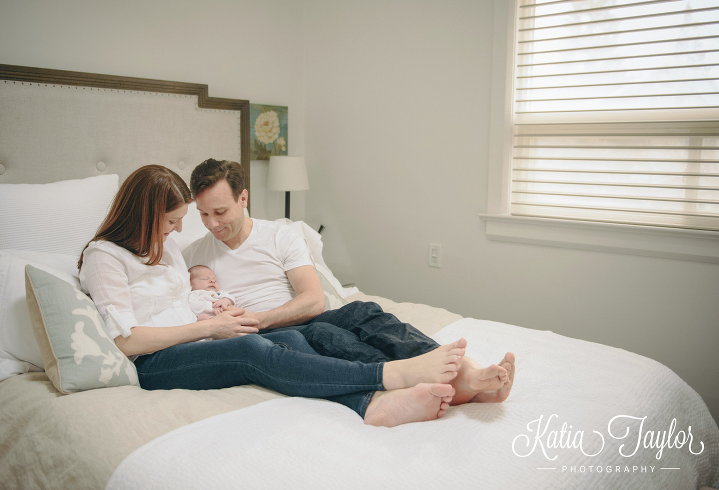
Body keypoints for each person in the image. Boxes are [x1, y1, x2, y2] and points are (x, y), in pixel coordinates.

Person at [78, 164, 471, 427]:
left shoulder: (167, 251)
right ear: (144, 215)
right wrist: (213, 326)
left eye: (181, 222)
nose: (180, 231)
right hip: (153, 362)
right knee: (252, 351)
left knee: (292, 338)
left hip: (200, 336)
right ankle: (389, 376)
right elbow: (124, 340)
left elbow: (187, 301)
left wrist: (216, 312)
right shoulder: (104, 256)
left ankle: (369, 403)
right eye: (172, 222)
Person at [183, 159, 515, 406]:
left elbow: (313, 301)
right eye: (203, 214)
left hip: (287, 318)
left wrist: (263, 317)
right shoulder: (194, 255)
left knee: (361, 310)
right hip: (264, 340)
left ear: (243, 199)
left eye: (220, 212)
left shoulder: (280, 236)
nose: (212, 224)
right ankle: (426, 381)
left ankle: (464, 371)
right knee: (328, 334)